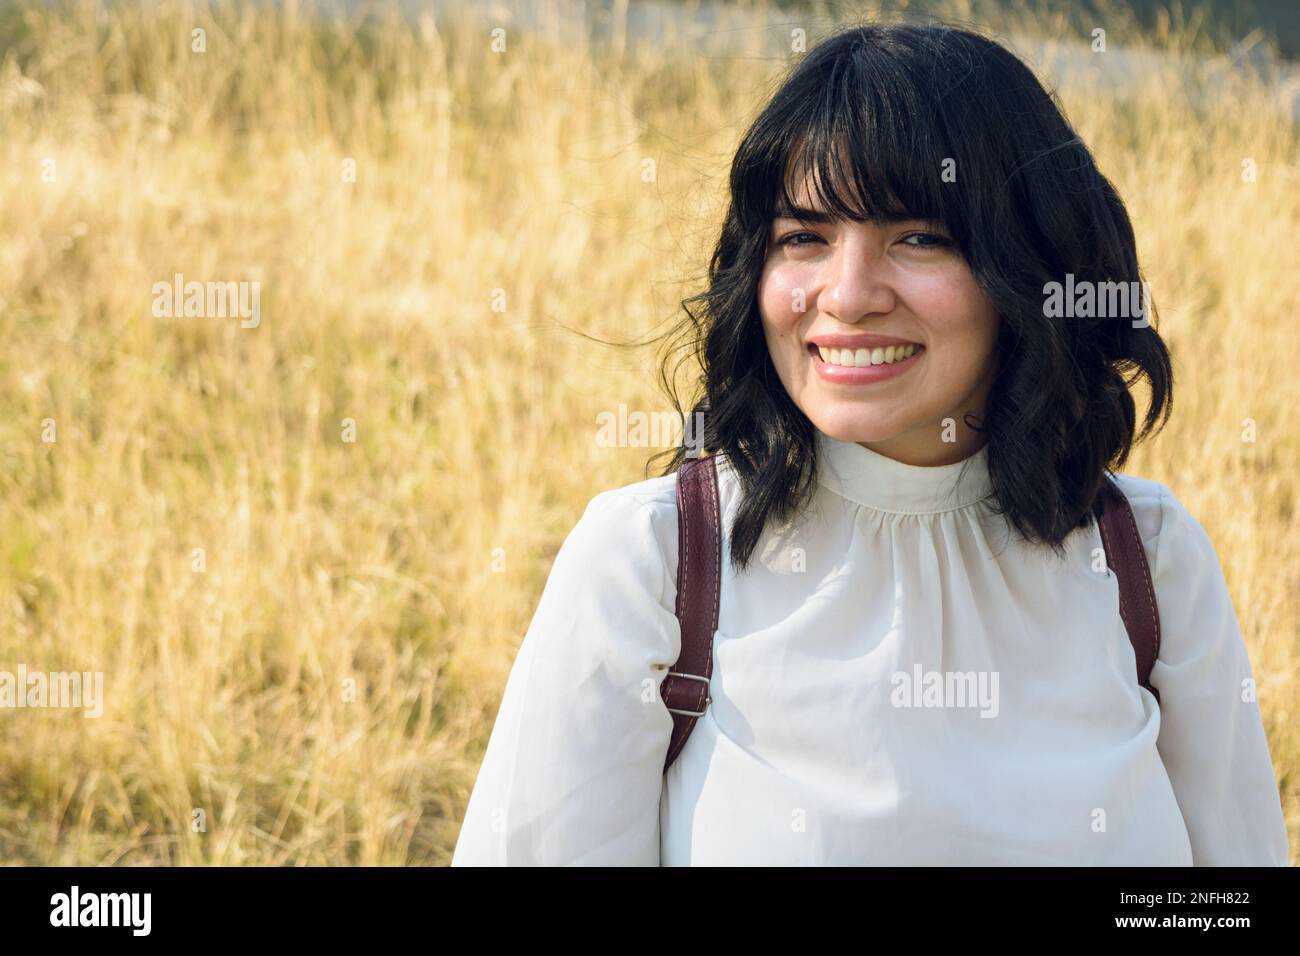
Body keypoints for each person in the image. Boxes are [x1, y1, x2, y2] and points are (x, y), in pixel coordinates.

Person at [450, 20, 1290, 866]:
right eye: (803, 238)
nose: (847, 297)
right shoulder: (650, 564)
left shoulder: (1148, 560)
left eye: (919, 237)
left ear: (1027, 267)